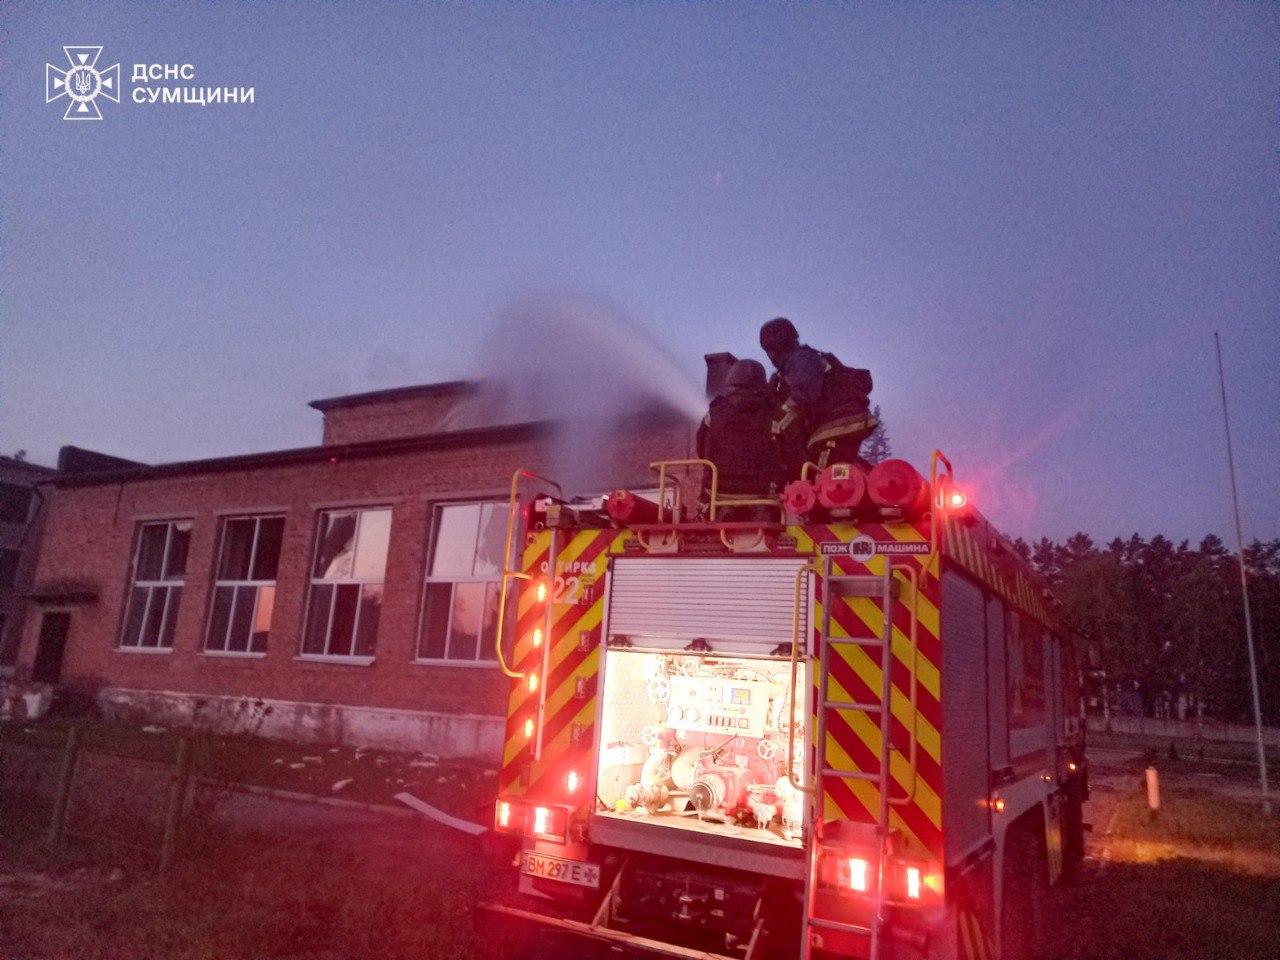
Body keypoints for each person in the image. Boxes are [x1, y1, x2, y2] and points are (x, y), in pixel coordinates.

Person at [759, 317, 876, 470]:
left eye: (769, 350)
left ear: (776, 347)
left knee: (819, 473)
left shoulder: (802, 359)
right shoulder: (799, 363)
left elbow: (804, 395)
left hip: (837, 423)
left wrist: (779, 420)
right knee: (816, 466)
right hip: (838, 424)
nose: (770, 356)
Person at [695, 359, 792, 512]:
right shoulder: (776, 415)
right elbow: (793, 455)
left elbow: (701, 449)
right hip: (765, 500)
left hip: (716, 498)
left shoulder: (713, 413)